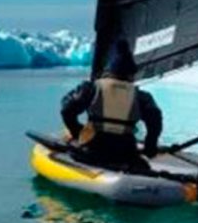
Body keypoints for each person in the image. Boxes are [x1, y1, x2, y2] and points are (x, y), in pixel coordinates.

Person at [60, 38, 163, 171]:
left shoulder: (91, 88)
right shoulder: (141, 96)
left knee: (76, 150)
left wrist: (76, 132)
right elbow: (155, 121)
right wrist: (150, 147)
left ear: (108, 70)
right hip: (126, 154)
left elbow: (66, 110)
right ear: (131, 74)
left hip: (93, 151)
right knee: (141, 164)